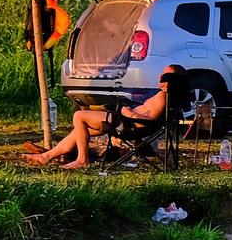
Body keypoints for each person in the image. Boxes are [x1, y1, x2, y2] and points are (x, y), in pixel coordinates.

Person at [28, 65, 181, 169]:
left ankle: (82, 160)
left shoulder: (163, 97)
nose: (160, 76)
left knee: (79, 116)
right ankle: (46, 156)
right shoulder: (169, 97)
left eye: (165, 75)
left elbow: (147, 121)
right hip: (128, 123)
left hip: (128, 125)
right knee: (79, 131)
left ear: (173, 80)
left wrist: (127, 111)